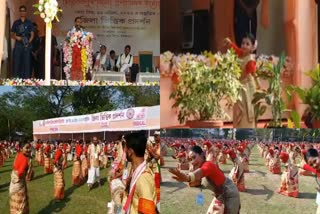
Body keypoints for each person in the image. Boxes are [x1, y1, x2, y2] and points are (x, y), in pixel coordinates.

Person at [169, 145, 240, 213]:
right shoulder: (199, 167)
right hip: (220, 195)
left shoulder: (208, 165)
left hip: (230, 195)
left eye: (194, 157)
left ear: (202, 154)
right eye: (190, 159)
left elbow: (200, 172)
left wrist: (187, 177)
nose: (192, 162)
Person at [225, 33, 259, 128]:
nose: (244, 45)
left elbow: (252, 76)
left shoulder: (250, 60)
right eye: (243, 43)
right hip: (239, 87)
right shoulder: (241, 54)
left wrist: (256, 89)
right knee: (238, 111)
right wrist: (229, 43)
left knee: (247, 111)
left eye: (247, 44)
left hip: (247, 89)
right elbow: (236, 50)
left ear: (252, 47)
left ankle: (247, 131)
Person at [123, 132, 157, 214]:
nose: (124, 151)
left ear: (130, 152)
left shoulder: (143, 179)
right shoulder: (136, 171)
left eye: (126, 149)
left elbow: (147, 212)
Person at [11, 5, 34, 79]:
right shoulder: (16, 23)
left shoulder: (29, 22)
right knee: (17, 63)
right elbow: (12, 34)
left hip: (26, 45)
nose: (22, 12)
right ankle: (16, 80)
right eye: (21, 11)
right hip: (18, 45)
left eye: (24, 11)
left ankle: (26, 80)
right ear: (19, 12)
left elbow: (32, 35)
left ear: (26, 12)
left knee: (26, 64)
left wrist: (28, 43)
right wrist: (16, 37)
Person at [9, 141, 32, 214]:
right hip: (19, 183)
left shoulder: (18, 155)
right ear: (22, 148)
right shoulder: (24, 159)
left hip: (13, 183)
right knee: (21, 204)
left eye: (29, 148)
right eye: (27, 148)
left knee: (15, 204)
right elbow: (20, 173)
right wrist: (26, 176)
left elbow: (15, 166)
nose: (29, 149)